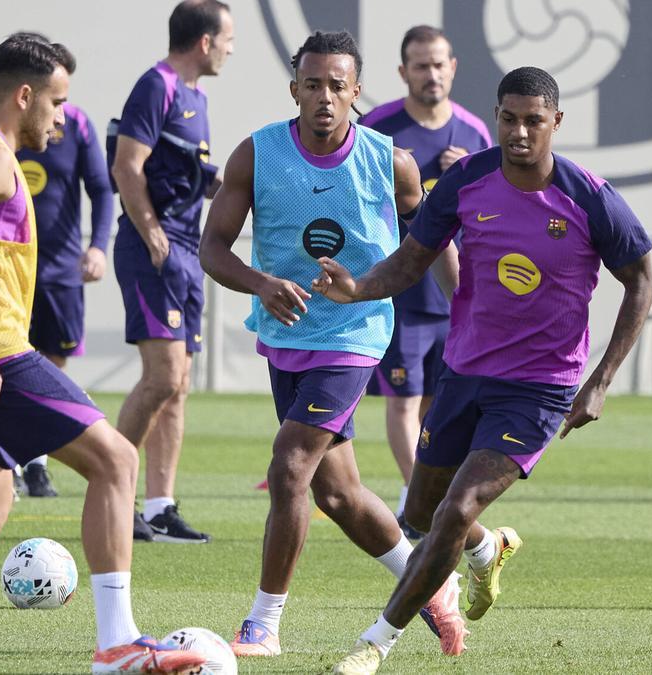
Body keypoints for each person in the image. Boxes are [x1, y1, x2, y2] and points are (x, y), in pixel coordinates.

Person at [320, 66, 652, 674]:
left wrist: (600, 381)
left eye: (533, 120)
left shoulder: (589, 197)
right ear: (496, 117)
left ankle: (375, 644)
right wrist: (359, 289)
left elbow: (641, 281)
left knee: (456, 506)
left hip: (538, 390)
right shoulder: (466, 180)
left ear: (556, 122)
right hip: (464, 374)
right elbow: (413, 259)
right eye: (509, 119)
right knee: (420, 515)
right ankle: (487, 548)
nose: (520, 132)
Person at [0, 32, 204, 675]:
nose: (62, 118)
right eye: (57, 102)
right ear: (25, 95)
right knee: (116, 460)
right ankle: (118, 644)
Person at [199, 30, 464, 661]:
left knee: (290, 465)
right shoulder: (255, 155)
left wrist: (467, 310)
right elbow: (212, 247)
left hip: (355, 335)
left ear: (356, 91)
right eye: (312, 84)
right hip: (287, 338)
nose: (324, 96)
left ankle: (263, 622)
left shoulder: (390, 161)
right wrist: (262, 283)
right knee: (336, 493)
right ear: (294, 89)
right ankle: (429, 582)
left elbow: (429, 239)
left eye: (337, 85)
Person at [357, 25, 489, 539]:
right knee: (403, 399)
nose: (430, 74)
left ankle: (420, 495)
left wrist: (471, 174)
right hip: (404, 292)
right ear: (402, 72)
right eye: (420, 65)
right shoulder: (378, 127)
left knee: (440, 403)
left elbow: (491, 208)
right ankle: (421, 502)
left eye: (438, 64)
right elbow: (358, 200)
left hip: (457, 294)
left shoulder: (476, 133)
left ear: (452, 67)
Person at [111, 0, 233, 543]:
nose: (231, 49)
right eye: (228, 38)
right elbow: (126, 164)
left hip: (187, 250)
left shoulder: (197, 96)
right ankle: (112, 492)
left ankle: (159, 507)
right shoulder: (155, 85)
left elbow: (177, 169)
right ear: (204, 41)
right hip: (154, 248)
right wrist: (151, 230)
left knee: (179, 385)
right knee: (161, 376)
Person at [0, 85, 114, 500]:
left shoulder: (78, 124)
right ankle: (7, 462)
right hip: (6, 275)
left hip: (62, 270)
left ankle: (37, 465)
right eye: (54, 100)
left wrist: (97, 247)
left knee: (51, 365)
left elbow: (101, 188)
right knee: (4, 363)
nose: (58, 113)